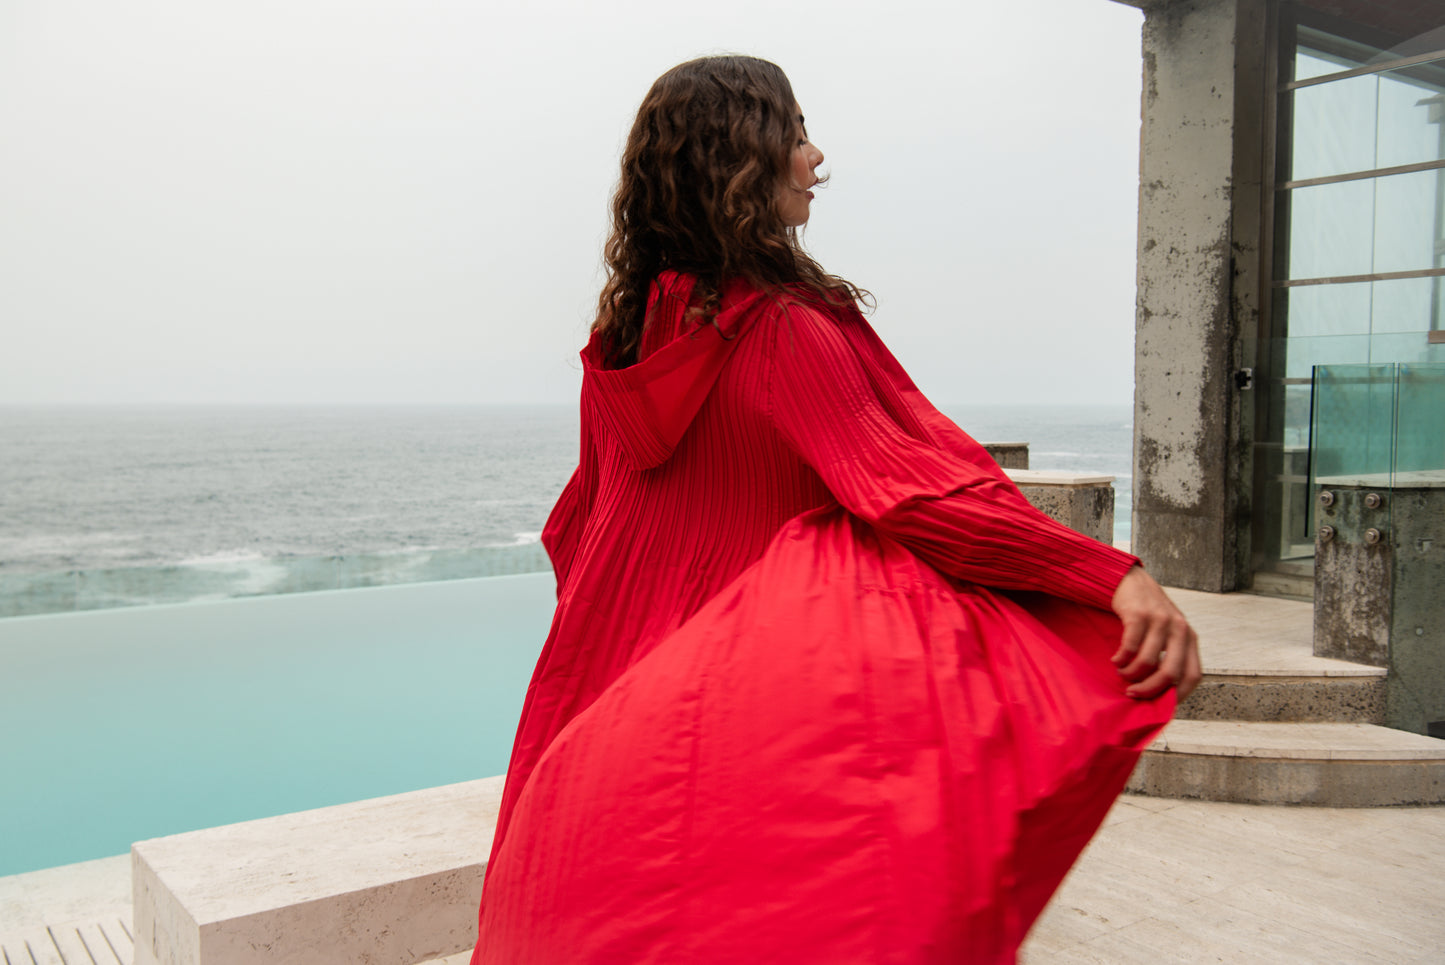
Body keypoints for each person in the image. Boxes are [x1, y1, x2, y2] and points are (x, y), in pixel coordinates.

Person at [470, 55, 1200, 965]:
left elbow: (577, 528)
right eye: (794, 134)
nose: (815, 158)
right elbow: (913, 495)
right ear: (738, 159)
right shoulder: (779, 329)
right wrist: (1106, 574)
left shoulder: (620, 342)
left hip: (603, 708)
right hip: (738, 704)